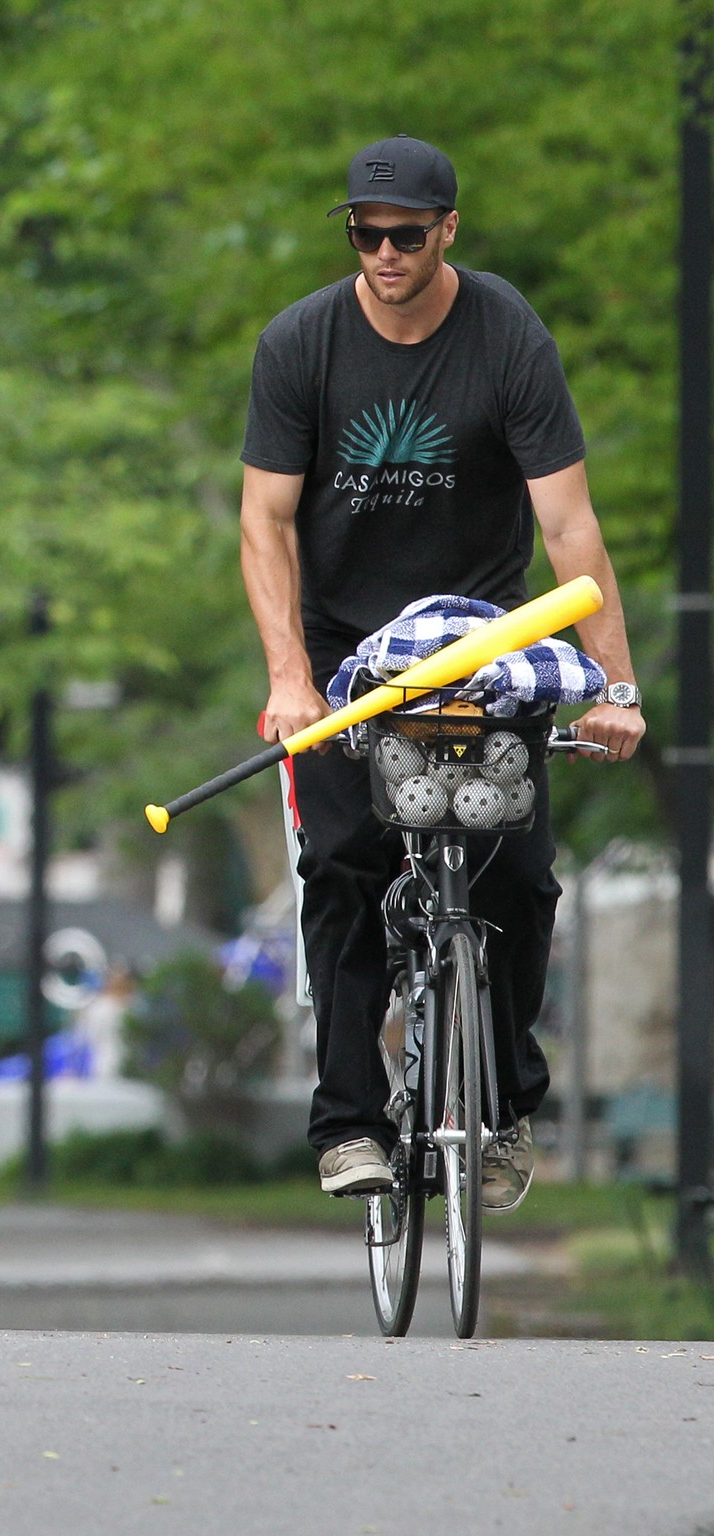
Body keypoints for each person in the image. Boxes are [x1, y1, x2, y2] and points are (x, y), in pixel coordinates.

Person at [240, 135, 644, 1211]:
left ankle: (505, 1105)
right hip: (342, 658)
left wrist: (616, 688)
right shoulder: (300, 345)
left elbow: (570, 525)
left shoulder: (505, 333)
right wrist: (290, 677)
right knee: (342, 866)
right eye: (365, 234)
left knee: (518, 876)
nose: (382, 253)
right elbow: (264, 521)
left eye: (404, 236)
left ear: (447, 231)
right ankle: (347, 1125)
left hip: (480, 649)